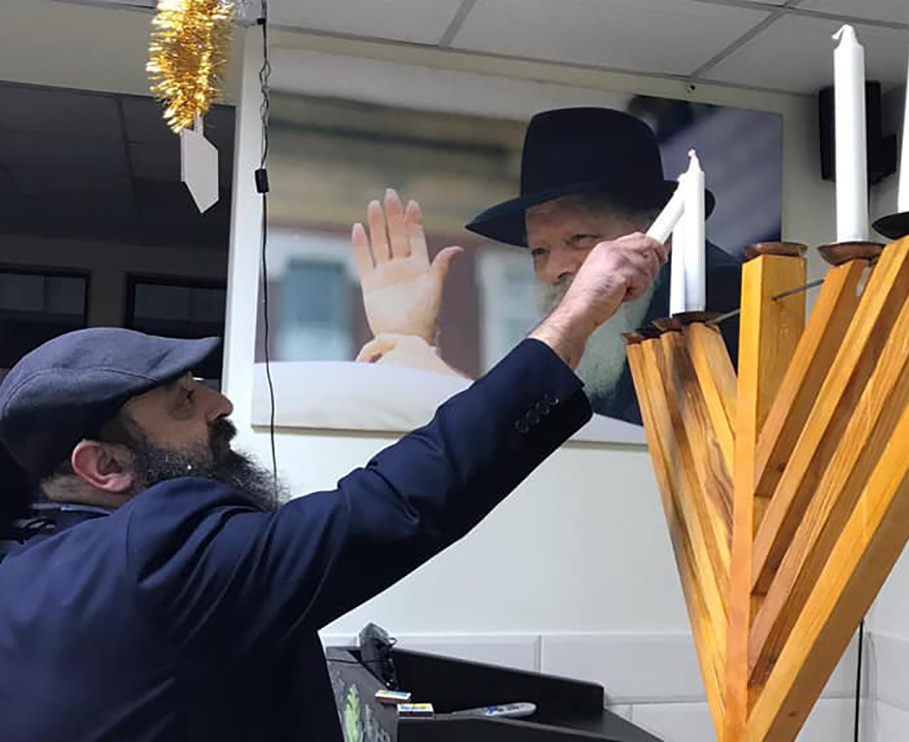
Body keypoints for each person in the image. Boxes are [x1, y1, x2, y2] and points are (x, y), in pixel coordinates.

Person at [0, 192, 667, 741]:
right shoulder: (153, 558)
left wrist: (408, 344)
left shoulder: (21, 579)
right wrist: (576, 318)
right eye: (183, 401)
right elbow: (396, 502)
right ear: (104, 465)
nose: (219, 404)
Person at [352, 108, 742, 425]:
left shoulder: (721, 303)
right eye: (539, 251)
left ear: (660, 233)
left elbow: (630, 453)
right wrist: (414, 346)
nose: (555, 268)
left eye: (580, 239)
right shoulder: (602, 339)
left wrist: (437, 384)